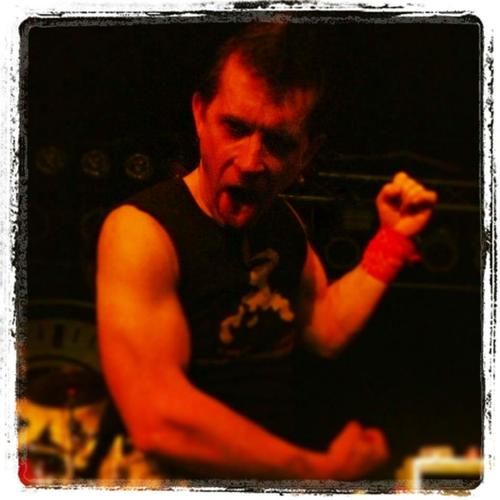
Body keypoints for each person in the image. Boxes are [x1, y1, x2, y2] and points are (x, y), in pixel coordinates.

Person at [96, 23, 438, 481]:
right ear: (200, 115)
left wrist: (392, 240)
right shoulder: (141, 232)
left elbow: (324, 327)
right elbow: (159, 419)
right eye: (235, 128)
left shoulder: (283, 222)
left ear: (307, 154)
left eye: (278, 142)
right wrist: (319, 471)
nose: (251, 162)